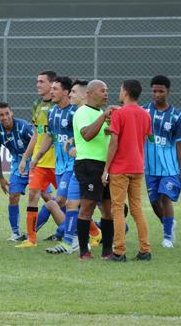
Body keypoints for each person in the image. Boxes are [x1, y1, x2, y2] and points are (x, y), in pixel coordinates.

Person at [102, 79, 152, 262]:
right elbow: (141, 138)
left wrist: (106, 169)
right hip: (138, 167)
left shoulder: (119, 114)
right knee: (137, 208)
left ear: (125, 92)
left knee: (117, 208)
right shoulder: (146, 115)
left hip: (120, 168)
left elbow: (115, 142)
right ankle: (145, 250)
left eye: (121, 89)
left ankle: (119, 251)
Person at [29, 76, 78, 254]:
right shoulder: (53, 112)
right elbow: (50, 137)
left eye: (55, 89)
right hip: (60, 166)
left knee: (58, 201)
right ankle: (83, 234)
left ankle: (69, 238)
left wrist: (76, 146)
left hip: (74, 165)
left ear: (66, 92)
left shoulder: (75, 112)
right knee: (70, 203)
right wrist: (37, 157)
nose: (52, 92)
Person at [71, 80, 118, 259]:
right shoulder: (82, 112)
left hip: (104, 165)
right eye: (102, 90)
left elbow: (107, 133)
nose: (106, 93)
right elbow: (87, 135)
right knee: (88, 206)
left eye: (107, 90)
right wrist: (103, 117)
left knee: (108, 209)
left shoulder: (101, 113)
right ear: (89, 93)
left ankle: (107, 251)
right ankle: (84, 251)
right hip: (88, 164)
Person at [142, 75, 181, 248]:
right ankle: (169, 223)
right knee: (154, 202)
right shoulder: (144, 111)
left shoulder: (176, 116)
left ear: (168, 92)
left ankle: (168, 237)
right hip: (150, 167)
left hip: (170, 167)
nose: (157, 94)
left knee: (165, 197)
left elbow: (179, 144)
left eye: (161, 91)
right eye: (154, 91)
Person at [16, 71, 60, 248]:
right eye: (37, 81)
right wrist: (26, 158)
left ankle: (94, 232)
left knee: (70, 200)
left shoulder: (59, 107)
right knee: (33, 195)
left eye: (42, 81)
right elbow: (36, 134)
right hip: (38, 162)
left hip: (58, 163)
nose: (38, 84)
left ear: (52, 84)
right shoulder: (36, 105)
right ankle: (31, 239)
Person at [0, 102, 33, 241]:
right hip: (16, 167)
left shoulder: (24, 127)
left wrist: (31, 161)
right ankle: (15, 233)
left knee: (47, 197)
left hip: (34, 164)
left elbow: (37, 142)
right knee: (13, 196)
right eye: (1, 115)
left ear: (12, 113)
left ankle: (61, 230)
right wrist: (1, 178)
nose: (5, 117)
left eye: (7, 113)